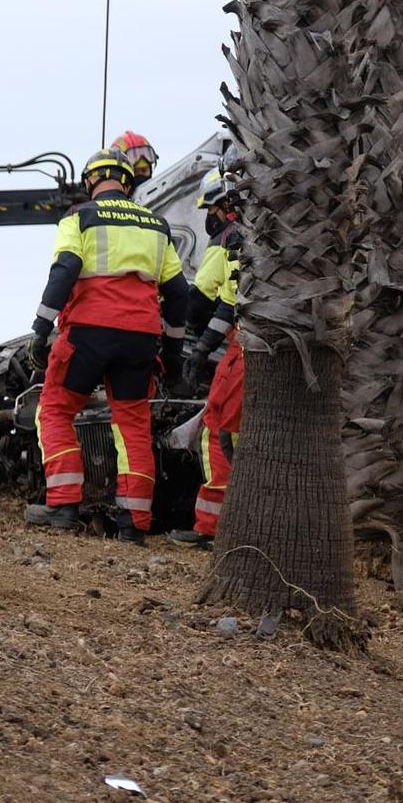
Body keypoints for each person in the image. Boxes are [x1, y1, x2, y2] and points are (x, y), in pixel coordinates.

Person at [24, 148, 188, 543]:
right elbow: (179, 293)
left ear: (89, 182)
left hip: (89, 332)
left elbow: (65, 270)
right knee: (133, 426)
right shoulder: (157, 225)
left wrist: (41, 327)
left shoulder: (78, 218)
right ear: (128, 183)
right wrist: (174, 353)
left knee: (56, 410)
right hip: (141, 338)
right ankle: (134, 524)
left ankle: (63, 506)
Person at [171, 150, 247, 548]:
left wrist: (195, 346)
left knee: (217, 431)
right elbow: (230, 306)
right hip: (249, 345)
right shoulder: (262, 237)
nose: (209, 218)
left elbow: (200, 302)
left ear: (225, 206)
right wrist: (205, 347)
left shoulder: (227, 242)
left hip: (245, 354)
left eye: (211, 209)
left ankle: (214, 528)